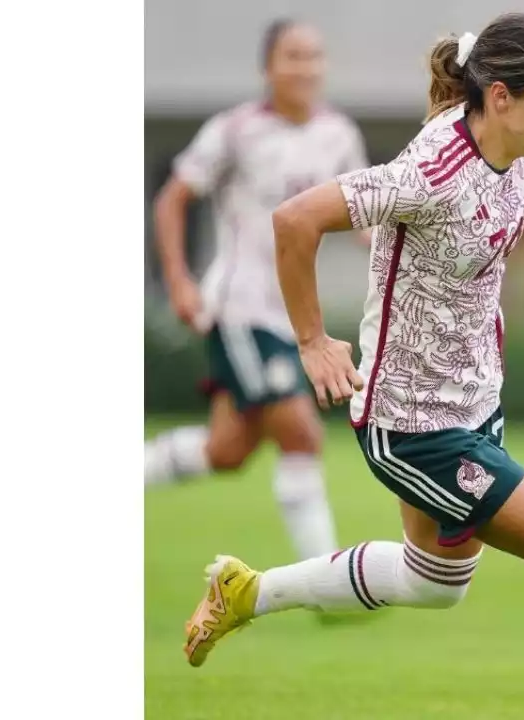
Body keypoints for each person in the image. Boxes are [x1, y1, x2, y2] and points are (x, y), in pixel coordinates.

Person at [181, 13, 524, 720]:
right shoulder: (428, 173)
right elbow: (295, 219)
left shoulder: (523, 146)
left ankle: (247, 593)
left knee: (434, 580)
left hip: (474, 405)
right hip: (413, 425)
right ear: (501, 96)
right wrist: (313, 341)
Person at [143, 19, 371, 569]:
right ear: (267, 67)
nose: (305, 67)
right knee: (301, 433)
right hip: (242, 309)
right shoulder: (235, 130)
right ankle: (328, 582)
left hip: (294, 314)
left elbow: (367, 219)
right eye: (292, 56)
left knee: (228, 450)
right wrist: (177, 279)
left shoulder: (339, 133)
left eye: (314, 56)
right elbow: (173, 199)